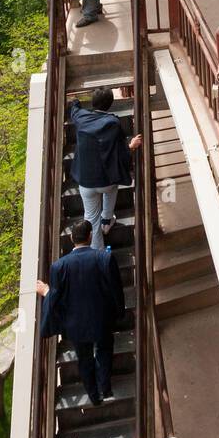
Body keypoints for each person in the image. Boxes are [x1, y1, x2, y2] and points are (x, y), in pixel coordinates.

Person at [36, 218, 125, 407]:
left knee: (84, 359)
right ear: (90, 236)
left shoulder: (59, 267)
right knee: (104, 350)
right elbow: (115, 289)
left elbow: (57, 296)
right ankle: (105, 388)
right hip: (101, 318)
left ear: (71, 238)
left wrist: (45, 292)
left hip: (75, 324)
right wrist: (119, 312)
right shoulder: (104, 258)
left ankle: (94, 397)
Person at [70, 86, 142, 250]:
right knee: (112, 186)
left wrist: (75, 99)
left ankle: (97, 253)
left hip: (86, 181)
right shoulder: (113, 123)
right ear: (110, 104)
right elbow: (121, 152)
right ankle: (107, 220)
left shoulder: (81, 118)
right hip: (106, 181)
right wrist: (131, 146)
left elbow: (74, 109)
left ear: (93, 102)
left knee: (90, 219)